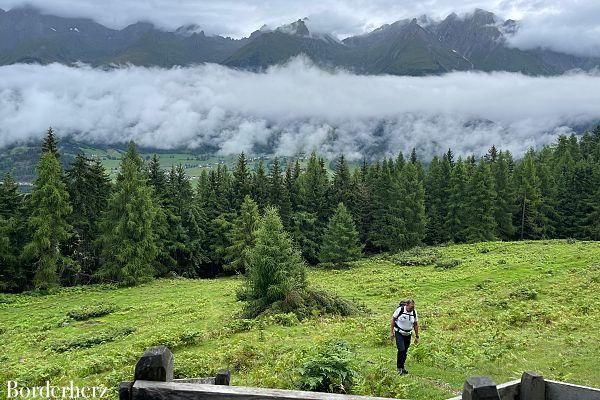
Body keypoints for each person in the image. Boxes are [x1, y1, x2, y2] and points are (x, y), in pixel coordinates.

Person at [390, 299, 419, 375]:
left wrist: (417, 336)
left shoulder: (414, 312)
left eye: (413, 308)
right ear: (406, 305)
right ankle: (399, 368)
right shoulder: (400, 310)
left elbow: (415, 324)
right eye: (410, 308)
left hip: (408, 334)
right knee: (401, 350)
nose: (411, 309)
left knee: (405, 351)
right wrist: (392, 332)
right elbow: (393, 320)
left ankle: (402, 368)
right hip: (399, 333)